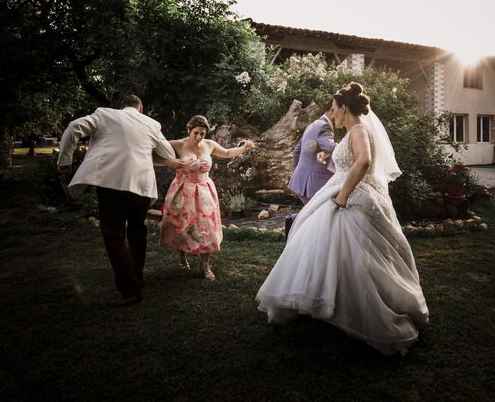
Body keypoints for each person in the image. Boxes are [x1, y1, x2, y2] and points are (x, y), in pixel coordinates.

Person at [256, 82, 429, 355]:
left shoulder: (359, 130)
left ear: (344, 108)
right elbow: (350, 161)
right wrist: (330, 157)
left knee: (352, 251)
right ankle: (324, 298)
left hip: (348, 195)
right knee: (318, 238)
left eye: (334, 110)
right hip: (339, 188)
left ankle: (348, 306)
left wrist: (343, 195)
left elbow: (363, 161)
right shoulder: (353, 131)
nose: (333, 115)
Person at [58, 95, 178, 305]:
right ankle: (137, 279)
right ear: (140, 108)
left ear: (121, 106)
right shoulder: (151, 123)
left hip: (111, 182)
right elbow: (168, 153)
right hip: (142, 186)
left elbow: (73, 127)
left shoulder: (104, 114)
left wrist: (65, 161)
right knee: (137, 232)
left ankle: (131, 288)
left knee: (114, 235)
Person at [158, 115, 255, 281]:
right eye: (195, 133)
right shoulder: (177, 144)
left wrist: (244, 148)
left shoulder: (209, 145)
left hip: (204, 191)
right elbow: (155, 154)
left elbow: (227, 153)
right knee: (181, 225)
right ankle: (182, 256)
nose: (199, 137)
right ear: (189, 130)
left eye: (202, 133)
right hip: (182, 191)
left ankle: (205, 265)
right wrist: (172, 163)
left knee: (207, 227)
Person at [284, 97, 336, 238]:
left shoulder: (314, 124)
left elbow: (297, 150)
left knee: (315, 215)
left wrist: (300, 172)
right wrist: (347, 144)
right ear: (333, 110)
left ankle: (293, 221)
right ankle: (294, 222)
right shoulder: (324, 127)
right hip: (313, 183)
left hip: (302, 180)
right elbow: (331, 147)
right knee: (322, 216)